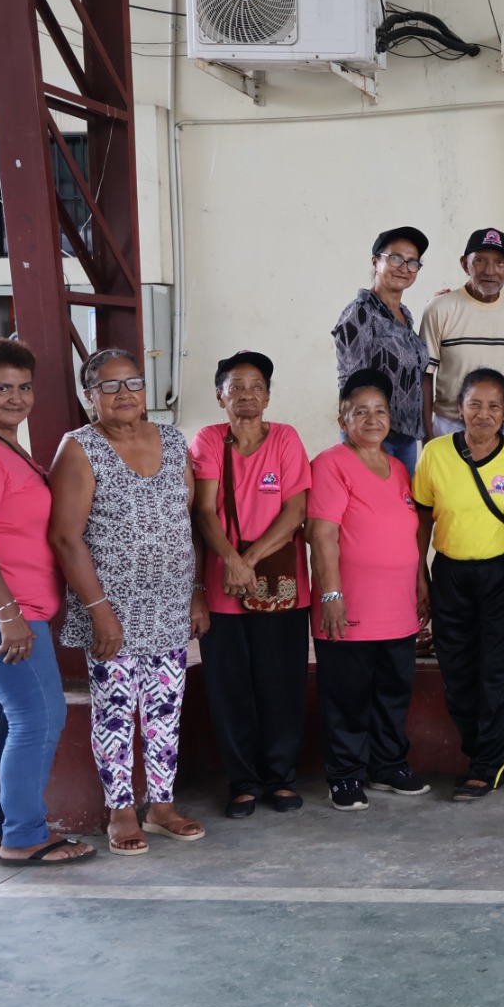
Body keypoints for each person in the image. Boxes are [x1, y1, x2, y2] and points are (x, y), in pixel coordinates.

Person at [50, 348, 207, 854]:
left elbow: (187, 522)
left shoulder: (173, 440)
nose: (124, 394)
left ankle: (161, 806)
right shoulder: (79, 447)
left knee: (165, 709)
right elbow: (65, 538)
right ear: (89, 395)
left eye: (133, 383)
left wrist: (196, 593)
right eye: (109, 385)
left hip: (168, 606)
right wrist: (100, 611)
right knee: (116, 712)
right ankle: (120, 811)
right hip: (111, 610)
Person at [190, 351, 312, 819]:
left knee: (282, 684)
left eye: (256, 386)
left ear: (268, 396)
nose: (246, 394)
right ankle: (242, 782)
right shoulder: (207, 439)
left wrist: (247, 562)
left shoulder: (285, 438)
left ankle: (280, 778)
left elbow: (295, 511)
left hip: (281, 583)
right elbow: (204, 509)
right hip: (223, 587)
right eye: (236, 386)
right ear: (219, 395)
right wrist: (230, 562)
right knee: (230, 687)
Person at [307, 368, 431, 813]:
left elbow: (409, 535)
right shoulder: (330, 464)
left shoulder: (398, 468)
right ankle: (345, 774)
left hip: (397, 607)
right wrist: (331, 596)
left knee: (393, 690)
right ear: (343, 419)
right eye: (361, 412)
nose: (373, 419)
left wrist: (420, 582)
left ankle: (388, 765)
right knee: (348, 696)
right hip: (349, 605)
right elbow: (322, 535)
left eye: (380, 410)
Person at [413, 367, 504, 802]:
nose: (484, 414)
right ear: (458, 408)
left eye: (494, 406)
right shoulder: (434, 453)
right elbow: (422, 518)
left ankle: (487, 766)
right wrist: (419, 573)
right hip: (450, 573)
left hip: (503, 574)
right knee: (458, 670)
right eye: (475, 404)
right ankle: (475, 752)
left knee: (498, 671)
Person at [0, 340, 93, 866]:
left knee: (4, 724)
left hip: (16, 612)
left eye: (24, 387)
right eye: (0, 388)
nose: (16, 398)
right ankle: (25, 835)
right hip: (10, 615)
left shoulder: (11, 449)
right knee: (40, 720)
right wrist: (8, 614)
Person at [421, 227, 504, 464]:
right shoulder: (440, 308)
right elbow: (425, 375)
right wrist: (427, 433)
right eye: (480, 261)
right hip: (453, 422)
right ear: (464, 264)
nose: (489, 270)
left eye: (499, 263)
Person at [331, 226, 431, 480]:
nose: (404, 267)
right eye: (395, 258)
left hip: (404, 436)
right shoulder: (360, 313)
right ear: (376, 262)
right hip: (372, 435)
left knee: (400, 500)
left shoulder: (404, 315)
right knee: (372, 499)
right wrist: (372, 442)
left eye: (412, 262)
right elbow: (352, 385)